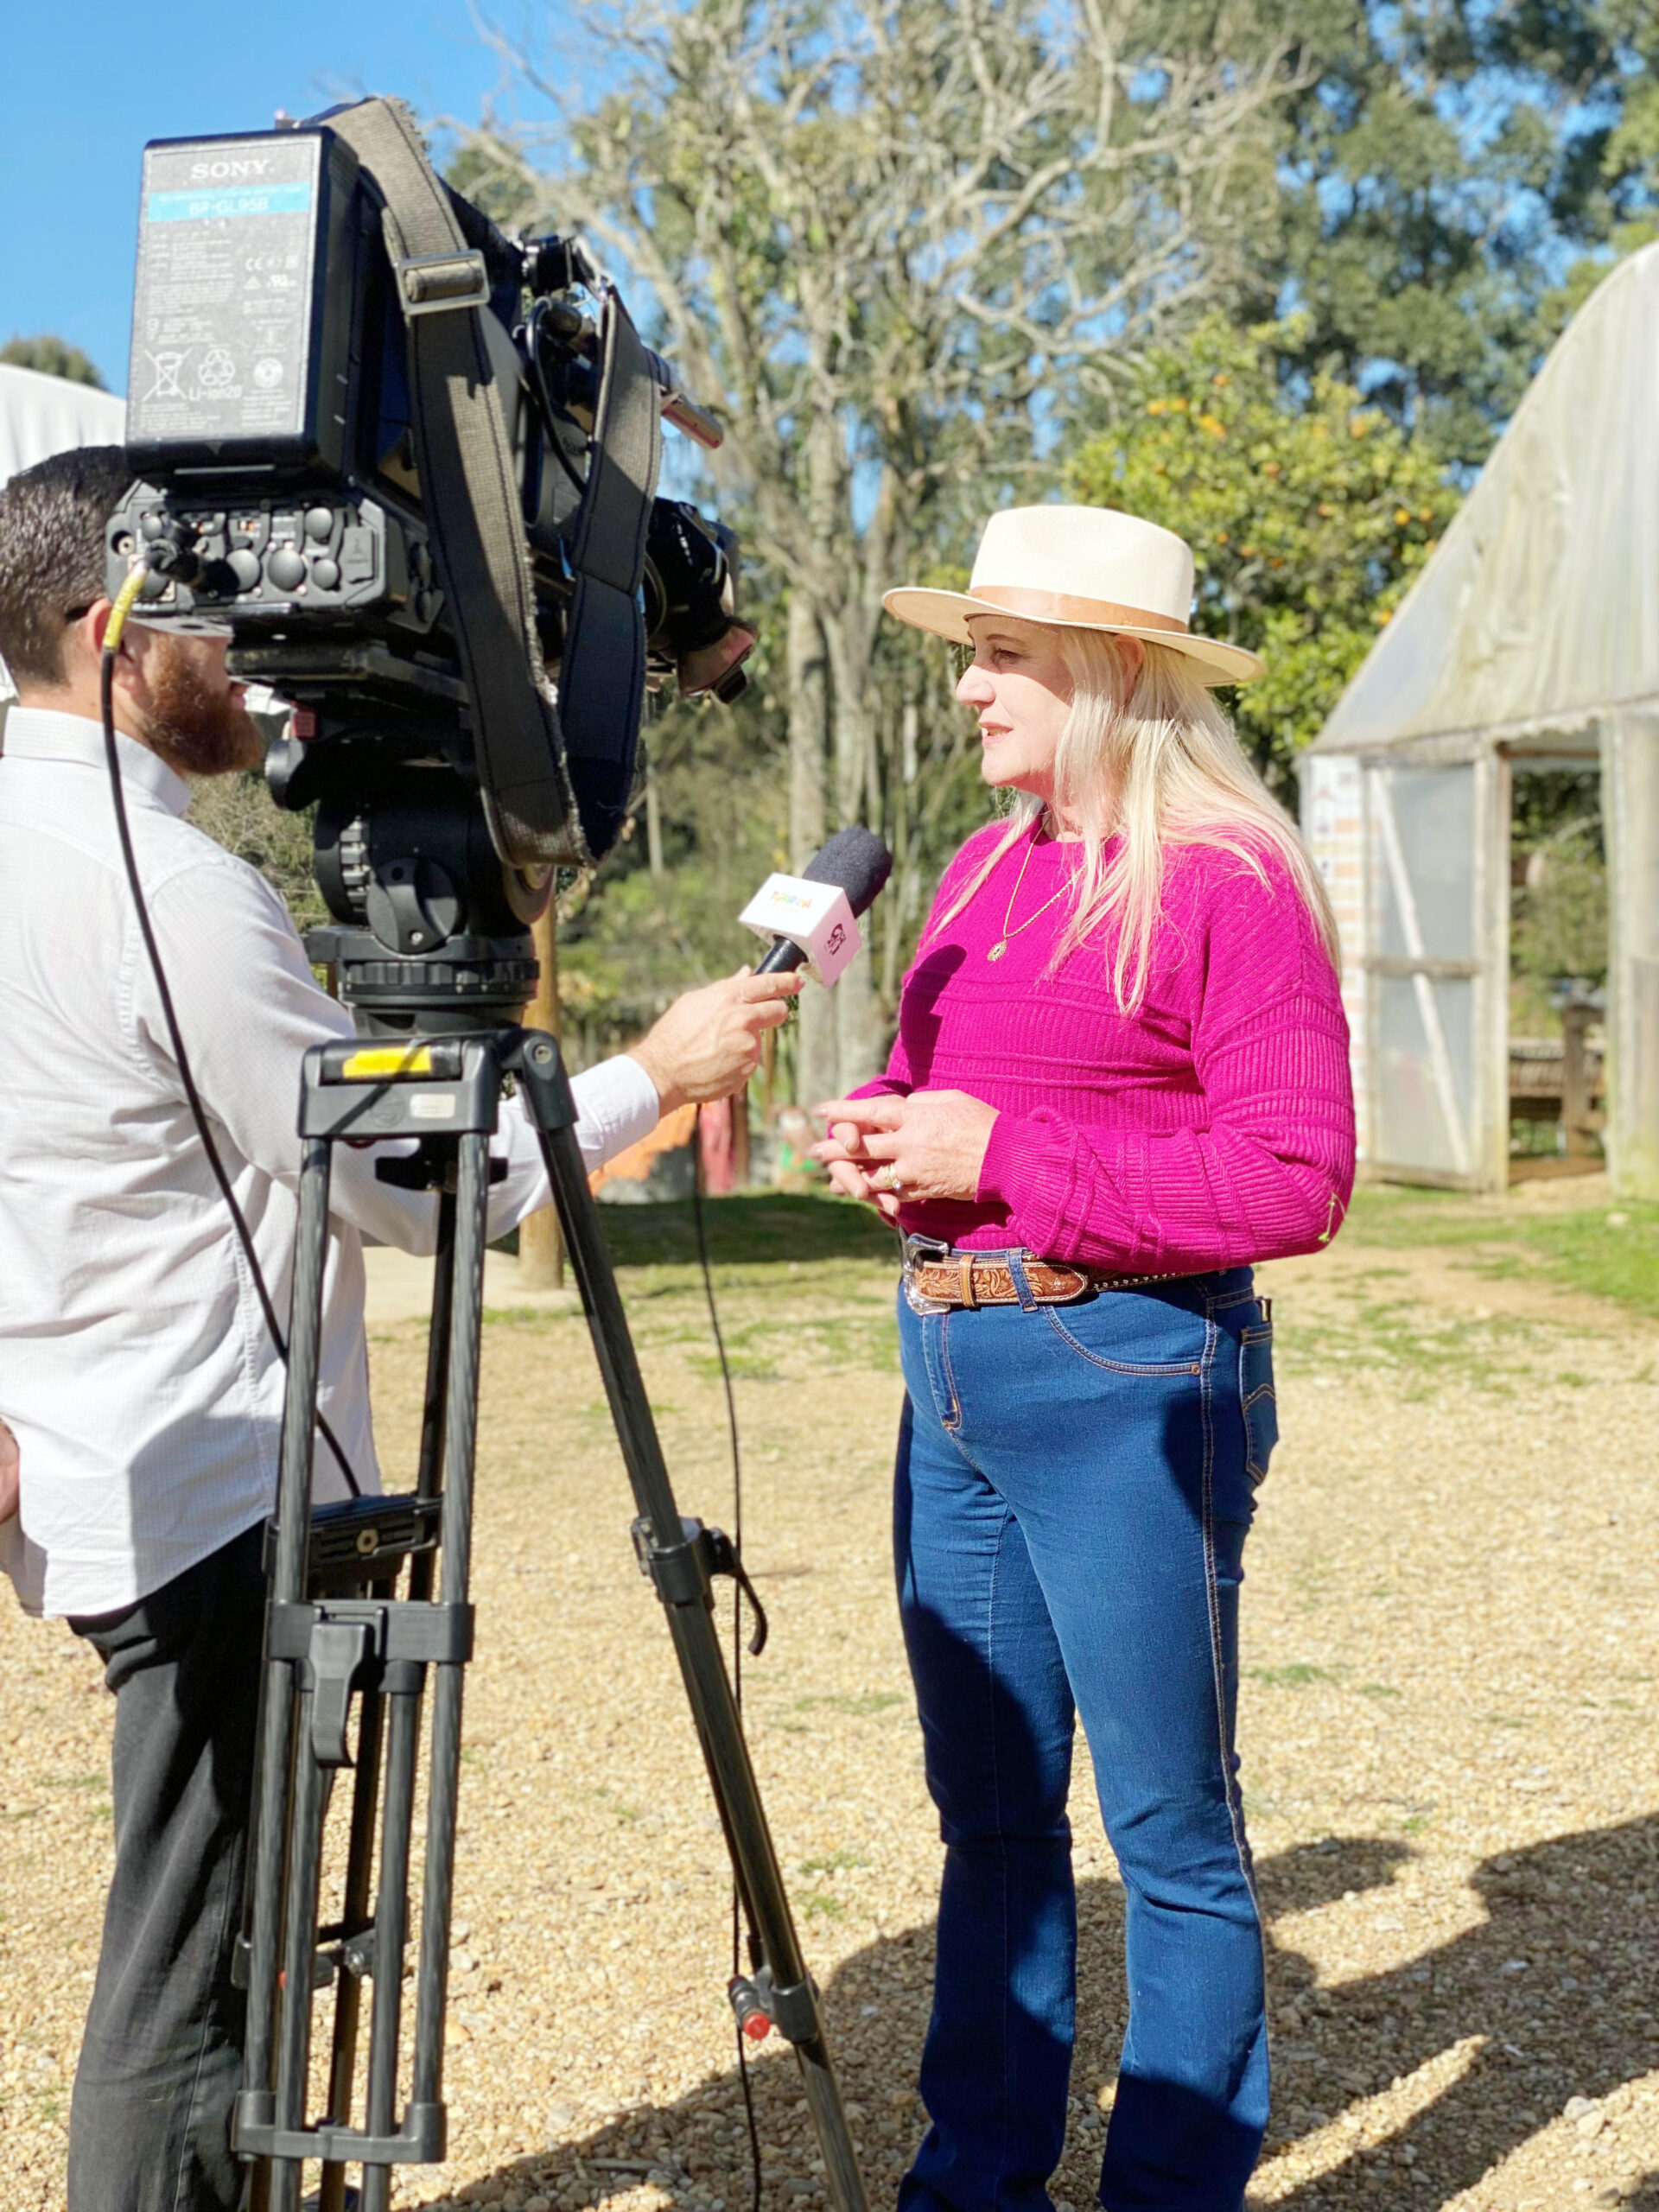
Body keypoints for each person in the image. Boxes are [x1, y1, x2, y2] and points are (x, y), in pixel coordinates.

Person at [0, 444, 798, 2212]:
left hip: (96, 1461)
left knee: (213, 1942)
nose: (259, 655)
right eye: (223, 610)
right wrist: (647, 1079)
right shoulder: (167, 885)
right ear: (118, 623)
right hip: (212, 1484)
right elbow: (401, 1182)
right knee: (192, 1976)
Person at [814, 505, 1355, 2212]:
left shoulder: (1229, 878)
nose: (969, 687)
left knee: (1170, 1839)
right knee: (988, 1820)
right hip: (953, 1372)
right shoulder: (985, 862)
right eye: (970, 650)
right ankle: (975, 2178)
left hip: (1132, 1374)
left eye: (1001, 655)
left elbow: (1298, 1172)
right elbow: (959, 1093)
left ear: (1109, 673)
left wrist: (1006, 1161)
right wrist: (894, 1136)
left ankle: (1174, 2188)